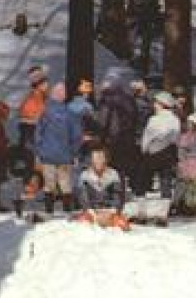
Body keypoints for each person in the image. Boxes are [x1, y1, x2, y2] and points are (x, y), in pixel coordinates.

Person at [34, 84, 82, 214]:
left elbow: (38, 133)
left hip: (47, 154)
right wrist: (74, 152)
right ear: (64, 96)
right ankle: (67, 211)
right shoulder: (71, 114)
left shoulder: (45, 113)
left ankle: (49, 210)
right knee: (65, 183)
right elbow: (77, 136)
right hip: (65, 155)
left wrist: (38, 150)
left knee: (49, 183)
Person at [137, 91, 181, 198]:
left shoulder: (154, 120)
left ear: (162, 104)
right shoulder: (175, 120)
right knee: (166, 179)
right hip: (168, 152)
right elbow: (176, 138)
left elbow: (147, 138)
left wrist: (144, 149)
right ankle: (166, 202)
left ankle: (140, 198)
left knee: (144, 178)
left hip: (153, 153)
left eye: (156, 103)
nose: (154, 105)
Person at [75, 146, 130, 229]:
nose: (98, 160)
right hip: (92, 211)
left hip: (110, 211)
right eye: (96, 158)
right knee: (82, 226)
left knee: (123, 226)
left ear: (106, 159)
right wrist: (92, 212)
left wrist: (112, 211)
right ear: (91, 160)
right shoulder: (85, 175)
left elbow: (118, 195)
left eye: (101, 157)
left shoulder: (113, 174)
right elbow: (83, 197)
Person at [174, 113, 196, 217]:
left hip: (189, 166)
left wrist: (181, 165)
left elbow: (181, 153)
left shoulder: (184, 137)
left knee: (190, 188)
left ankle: (190, 207)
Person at [17, 68, 49, 151]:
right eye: (44, 83)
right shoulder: (33, 99)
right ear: (38, 85)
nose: (47, 85)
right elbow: (25, 115)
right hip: (31, 131)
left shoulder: (40, 97)